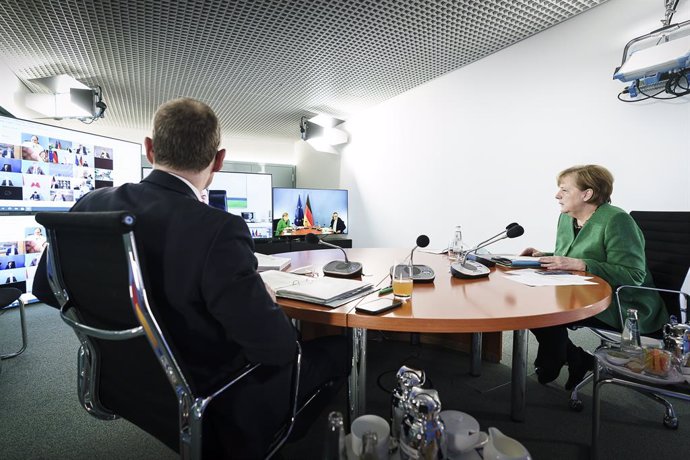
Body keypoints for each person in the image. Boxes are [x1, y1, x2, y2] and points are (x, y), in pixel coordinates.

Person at [32, 97, 349, 459]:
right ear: (219, 160)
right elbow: (276, 348)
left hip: (123, 381)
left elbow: (45, 288)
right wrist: (263, 298)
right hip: (212, 395)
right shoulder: (218, 230)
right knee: (338, 350)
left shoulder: (91, 204)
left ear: (149, 149)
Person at [521, 164, 666, 390]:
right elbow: (571, 255)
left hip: (624, 302)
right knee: (528, 301)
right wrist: (545, 256)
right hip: (578, 291)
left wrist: (582, 264)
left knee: (543, 311)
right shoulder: (568, 217)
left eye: (564, 190)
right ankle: (575, 357)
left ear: (587, 194)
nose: (556, 195)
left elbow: (634, 274)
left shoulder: (617, 220)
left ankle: (560, 357)